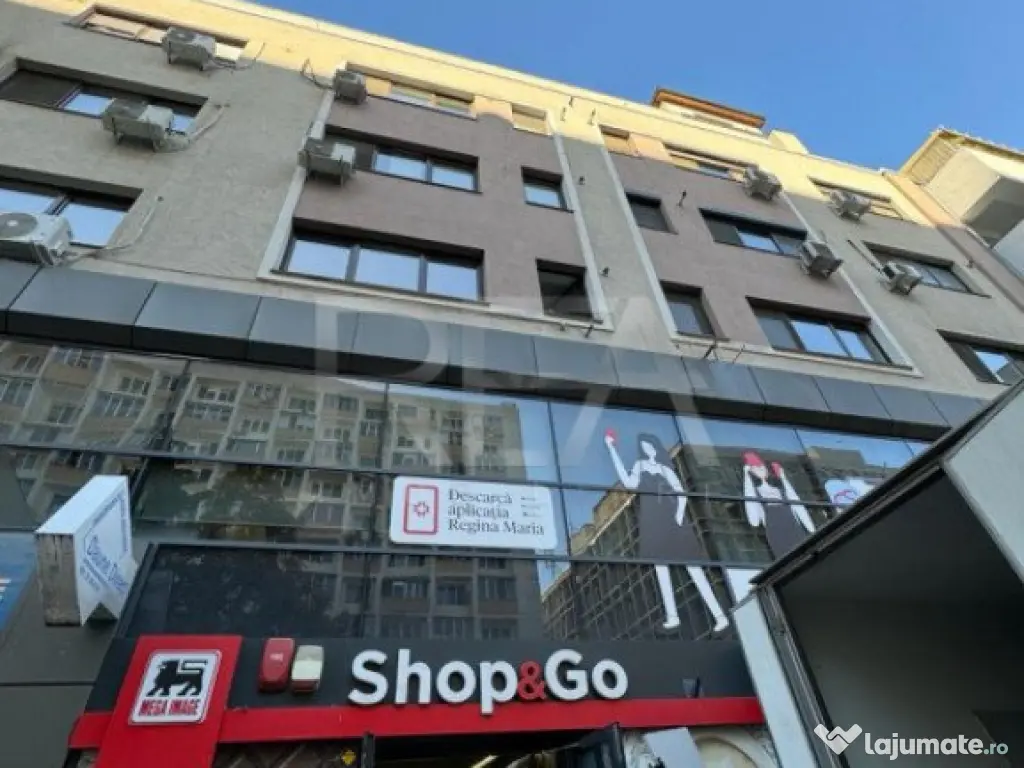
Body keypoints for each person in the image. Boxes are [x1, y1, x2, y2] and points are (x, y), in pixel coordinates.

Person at [604, 429, 728, 633]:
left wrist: (678, 515)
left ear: (656, 448)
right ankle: (672, 617)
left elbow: (681, 492)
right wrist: (612, 450)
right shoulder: (640, 466)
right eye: (644, 448)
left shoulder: (665, 468)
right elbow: (628, 483)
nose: (647, 450)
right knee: (661, 567)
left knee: (693, 568)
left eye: (650, 447)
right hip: (653, 521)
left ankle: (719, 616)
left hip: (672, 519)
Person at [741, 451, 815, 558]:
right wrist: (746, 477)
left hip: (794, 528)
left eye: (761, 466)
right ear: (750, 471)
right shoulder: (756, 493)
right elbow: (754, 520)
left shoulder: (780, 490)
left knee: (804, 554)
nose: (760, 469)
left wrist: (783, 477)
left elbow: (797, 504)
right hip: (776, 533)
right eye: (755, 467)